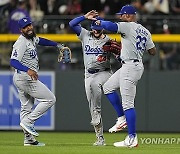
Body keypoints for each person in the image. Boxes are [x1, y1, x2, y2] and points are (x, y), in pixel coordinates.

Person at [95, 5, 156, 147]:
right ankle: (122, 118)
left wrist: (98, 20)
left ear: (128, 15)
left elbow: (110, 26)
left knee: (128, 104)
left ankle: (132, 138)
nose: (120, 17)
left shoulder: (128, 26)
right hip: (133, 64)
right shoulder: (145, 31)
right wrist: (134, 48)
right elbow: (153, 51)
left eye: (122, 15)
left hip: (130, 67)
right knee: (108, 87)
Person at [69, 10, 124, 146]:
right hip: (89, 74)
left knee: (100, 86)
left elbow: (120, 58)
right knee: (94, 108)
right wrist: (85, 17)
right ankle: (100, 138)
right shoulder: (85, 35)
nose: (96, 31)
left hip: (104, 72)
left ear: (102, 28)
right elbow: (72, 24)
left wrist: (118, 54)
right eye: (94, 28)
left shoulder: (108, 40)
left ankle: (122, 117)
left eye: (98, 29)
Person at [10, 17, 66, 146]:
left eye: (29, 25)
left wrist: (57, 45)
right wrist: (27, 70)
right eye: (25, 27)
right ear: (21, 30)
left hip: (22, 77)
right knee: (50, 99)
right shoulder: (21, 42)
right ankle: (29, 122)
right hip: (25, 77)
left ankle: (28, 139)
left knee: (26, 107)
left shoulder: (32, 38)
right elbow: (13, 61)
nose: (29, 28)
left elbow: (42, 41)